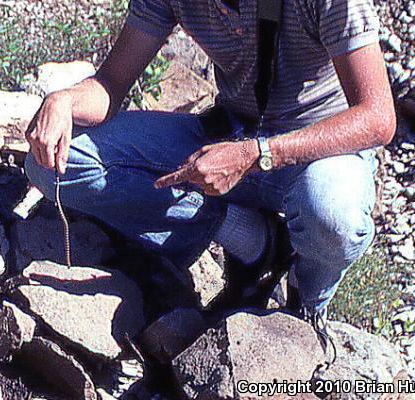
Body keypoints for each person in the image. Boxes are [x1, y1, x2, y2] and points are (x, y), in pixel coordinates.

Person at [24, 0, 395, 349]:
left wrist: (258, 154)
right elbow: (110, 84)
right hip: (229, 133)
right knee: (54, 162)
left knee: (333, 216)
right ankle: (254, 241)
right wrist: (64, 100)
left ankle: (306, 300)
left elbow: (378, 117)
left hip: (316, 151)